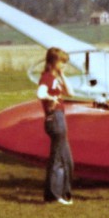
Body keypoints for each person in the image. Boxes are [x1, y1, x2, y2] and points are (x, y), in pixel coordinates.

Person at [37, 47, 75, 205]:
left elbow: (71, 92)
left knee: (66, 159)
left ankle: (64, 192)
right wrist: (50, 98)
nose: (64, 66)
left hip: (60, 118)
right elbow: (40, 93)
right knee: (58, 158)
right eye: (62, 63)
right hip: (55, 119)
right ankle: (54, 194)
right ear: (53, 62)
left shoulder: (55, 78)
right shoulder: (47, 78)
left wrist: (62, 75)